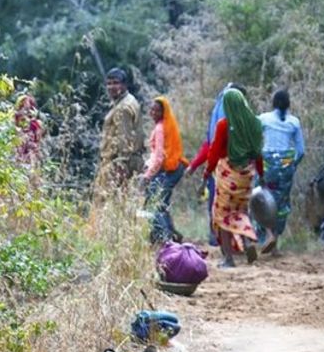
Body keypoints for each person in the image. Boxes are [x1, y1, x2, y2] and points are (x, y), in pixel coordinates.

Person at [203, 88, 264, 268]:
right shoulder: (254, 124)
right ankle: (248, 242)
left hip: (228, 174)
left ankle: (228, 259)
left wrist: (206, 174)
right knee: (241, 211)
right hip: (246, 176)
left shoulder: (223, 125)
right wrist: (262, 174)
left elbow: (214, 153)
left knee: (222, 215)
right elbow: (258, 153)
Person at [187, 82, 248, 245]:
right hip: (242, 170)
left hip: (223, 169)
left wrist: (203, 170)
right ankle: (243, 241)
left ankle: (224, 246)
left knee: (220, 206)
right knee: (238, 206)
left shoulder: (221, 120)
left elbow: (211, 146)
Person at [257, 90, 305, 253]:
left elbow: (253, 138)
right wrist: (291, 165)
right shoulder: (294, 122)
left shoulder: (263, 119)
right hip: (286, 167)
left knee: (262, 198)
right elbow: (301, 151)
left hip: (267, 166)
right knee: (281, 203)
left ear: (273, 103)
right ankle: (275, 242)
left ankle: (268, 234)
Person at [141, 96, 188, 243]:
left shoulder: (160, 128)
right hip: (174, 168)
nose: (153, 112)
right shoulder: (164, 125)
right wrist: (149, 164)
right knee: (161, 203)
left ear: (164, 112)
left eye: (157, 110)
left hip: (170, 170)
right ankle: (170, 235)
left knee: (154, 204)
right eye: (152, 109)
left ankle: (166, 239)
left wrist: (147, 175)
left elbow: (160, 157)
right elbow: (157, 154)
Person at [93, 67, 144, 202]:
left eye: (115, 83)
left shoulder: (123, 108)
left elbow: (124, 140)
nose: (111, 87)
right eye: (109, 83)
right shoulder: (128, 101)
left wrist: (120, 166)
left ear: (124, 85)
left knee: (105, 204)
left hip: (120, 163)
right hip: (129, 161)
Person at [14, 94, 43, 165]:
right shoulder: (14, 119)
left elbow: (37, 140)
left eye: (27, 108)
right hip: (16, 152)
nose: (24, 110)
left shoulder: (35, 123)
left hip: (30, 155)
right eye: (22, 107)